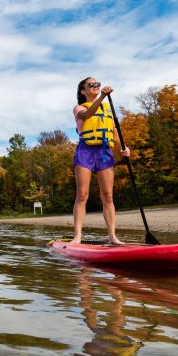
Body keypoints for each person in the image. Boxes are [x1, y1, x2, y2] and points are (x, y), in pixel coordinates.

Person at [72, 77, 130, 245]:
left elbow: (113, 131)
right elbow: (87, 115)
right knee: (82, 194)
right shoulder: (79, 108)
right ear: (83, 91)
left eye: (98, 84)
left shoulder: (107, 109)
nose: (96, 86)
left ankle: (112, 237)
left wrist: (123, 148)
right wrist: (103, 96)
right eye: (91, 85)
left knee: (108, 195)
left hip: (104, 151)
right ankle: (77, 237)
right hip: (85, 150)